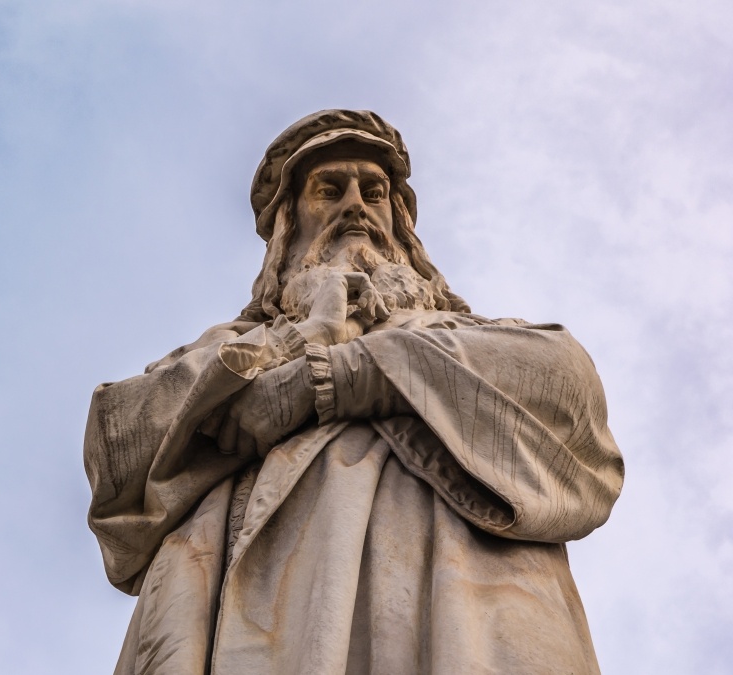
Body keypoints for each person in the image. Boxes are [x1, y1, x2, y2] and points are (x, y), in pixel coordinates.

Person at [83, 110, 624, 674]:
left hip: (462, 602)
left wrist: (339, 377)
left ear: (400, 223)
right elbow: (117, 451)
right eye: (328, 190)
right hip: (262, 611)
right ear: (290, 225)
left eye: (374, 191)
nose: (354, 206)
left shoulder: (469, 336)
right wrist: (299, 340)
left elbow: (571, 393)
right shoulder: (234, 349)